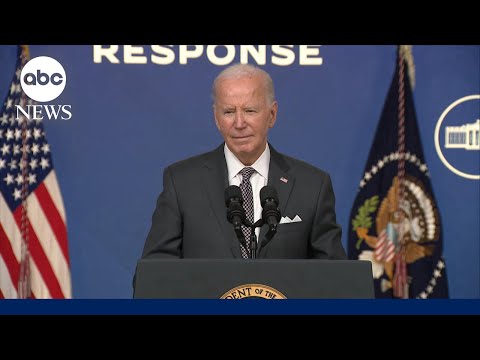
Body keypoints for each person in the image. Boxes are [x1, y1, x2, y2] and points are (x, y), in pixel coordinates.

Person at [140, 63, 346, 260]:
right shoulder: (182, 182)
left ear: (272, 115)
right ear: (216, 118)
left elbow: (335, 278)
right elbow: (155, 273)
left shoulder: (311, 185)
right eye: (229, 112)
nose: (239, 123)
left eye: (250, 111)